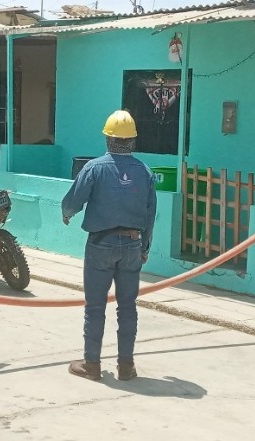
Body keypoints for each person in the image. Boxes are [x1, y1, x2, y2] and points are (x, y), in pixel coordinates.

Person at [61, 110, 157, 381]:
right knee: (128, 307)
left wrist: (67, 213)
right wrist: (145, 248)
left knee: (95, 307)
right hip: (132, 246)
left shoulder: (94, 167)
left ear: (108, 139)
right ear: (133, 141)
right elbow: (150, 214)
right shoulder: (144, 171)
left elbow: (73, 201)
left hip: (100, 245)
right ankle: (126, 366)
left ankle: (92, 365)